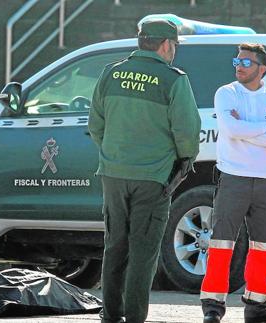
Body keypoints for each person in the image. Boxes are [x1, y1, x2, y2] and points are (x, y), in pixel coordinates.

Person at [88, 19, 201, 323]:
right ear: (165, 45)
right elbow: (188, 135)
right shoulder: (173, 79)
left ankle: (110, 315)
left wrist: (115, 156)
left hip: (112, 175)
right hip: (153, 178)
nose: (174, 51)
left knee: (114, 246)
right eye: (174, 45)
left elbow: (95, 126)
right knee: (143, 251)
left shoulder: (111, 73)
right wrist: (182, 161)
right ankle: (135, 317)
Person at [200, 43, 266, 323]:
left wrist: (249, 129)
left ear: (262, 68)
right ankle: (212, 307)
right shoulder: (227, 93)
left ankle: (257, 307)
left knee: (264, 247)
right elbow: (231, 129)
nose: (239, 65)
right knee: (222, 244)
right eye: (237, 60)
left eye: (246, 61)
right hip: (233, 177)